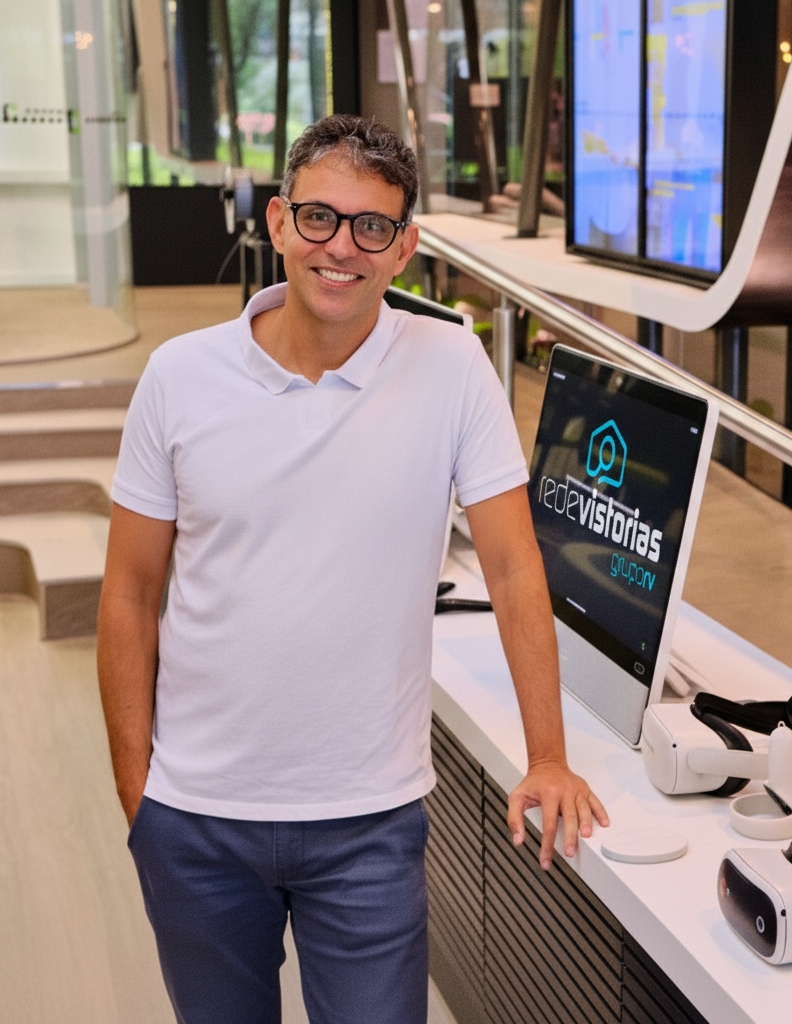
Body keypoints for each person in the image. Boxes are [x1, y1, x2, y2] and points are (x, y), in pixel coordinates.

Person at [96, 113, 608, 1024]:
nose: (342, 247)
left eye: (373, 226)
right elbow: (130, 594)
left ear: (404, 247)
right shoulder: (179, 376)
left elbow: (513, 567)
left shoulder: (452, 364)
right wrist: (143, 801)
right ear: (279, 221)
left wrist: (548, 757)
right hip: (198, 819)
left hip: (370, 822)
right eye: (320, 217)